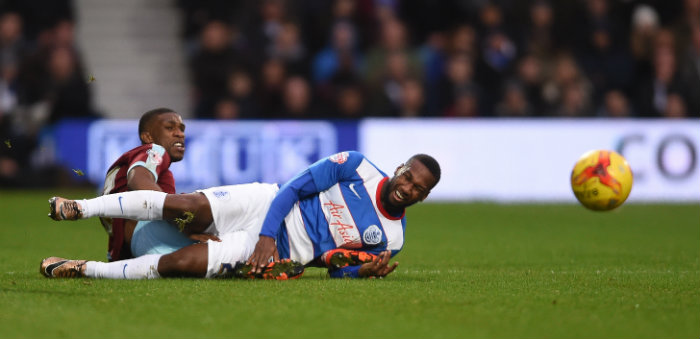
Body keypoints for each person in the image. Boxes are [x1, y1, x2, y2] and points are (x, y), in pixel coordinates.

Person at [42, 151, 441, 279]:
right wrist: (269, 233)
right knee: (186, 206)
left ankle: (81, 268)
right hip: (265, 205)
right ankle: (80, 208)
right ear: (402, 167)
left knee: (181, 264)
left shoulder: (392, 239)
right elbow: (294, 187)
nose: (409, 189)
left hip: (273, 251)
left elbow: (331, 264)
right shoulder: (355, 165)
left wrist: (360, 272)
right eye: (410, 178)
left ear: (424, 197)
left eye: (420, 190)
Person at [81, 107, 198, 262]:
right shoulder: (154, 150)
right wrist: (179, 212)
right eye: (170, 128)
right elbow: (138, 180)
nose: (180, 134)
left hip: (127, 251)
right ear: (148, 137)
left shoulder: (156, 171)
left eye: (182, 129)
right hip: (147, 237)